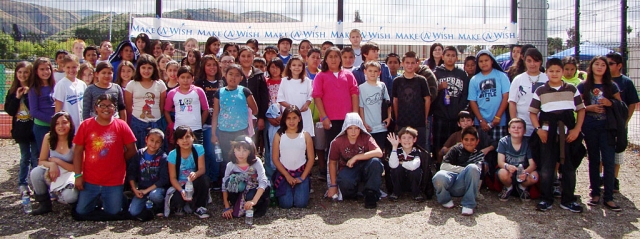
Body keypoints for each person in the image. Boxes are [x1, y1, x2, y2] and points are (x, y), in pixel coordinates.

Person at [530, 58, 586, 212]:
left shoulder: (572, 89)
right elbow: (533, 113)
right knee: (547, 168)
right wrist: (538, 130)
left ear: (563, 72)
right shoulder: (540, 90)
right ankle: (546, 198)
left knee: (568, 168)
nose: (554, 74)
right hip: (547, 135)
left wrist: (577, 130)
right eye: (551, 71)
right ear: (546, 72)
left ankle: (568, 199)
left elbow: (581, 110)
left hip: (568, 134)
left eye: (558, 71)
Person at [73, 94, 137, 216]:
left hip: (114, 180)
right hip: (90, 179)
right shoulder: (86, 125)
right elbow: (78, 151)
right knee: (81, 211)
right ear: (95, 107)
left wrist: (119, 159)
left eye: (110, 106)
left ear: (115, 109)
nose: (106, 109)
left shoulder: (122, 125)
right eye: (102, 105)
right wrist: (78, 175)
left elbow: (132, 149)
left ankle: (119, 197)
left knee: (113, 212)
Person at [577, 56, 623, 212]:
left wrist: (611, 103)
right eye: (597, 64)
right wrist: (589, 108)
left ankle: (609, 197)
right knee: (594, 160)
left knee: (609, 161)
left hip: (607, 128)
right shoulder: (584, 86)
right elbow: (577, 105)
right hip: (590, 127)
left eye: (603, 65)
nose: (600, 67)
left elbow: (621, 105)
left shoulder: (612, 86)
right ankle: (595, 193)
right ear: (591, 67)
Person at [312, 47, 359, 178]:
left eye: (336, 56)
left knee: (349, 147)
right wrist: (324, 117)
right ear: (325, 59)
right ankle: (332, 178)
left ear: (340, 59)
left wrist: (355, 116)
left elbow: (354, 94)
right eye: (330, 56)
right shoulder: (320, 76)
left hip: (348, 120)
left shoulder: (348, 75)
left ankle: (348, 176)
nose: (333, 59)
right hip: (330, 120)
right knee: (333, 149)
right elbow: (317, 97)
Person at [326, 112, 383, 209]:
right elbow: (332, 162)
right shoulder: (337, 142)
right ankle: (357, 192)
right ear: (345, 129)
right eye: (350, 128)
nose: (353, 132)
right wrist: (333, 185)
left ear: (360, 128)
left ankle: (371, 193)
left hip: (365, 167)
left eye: (356, 128)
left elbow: (379, 152)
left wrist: (356, 157)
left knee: (376, 162)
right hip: (348, 169)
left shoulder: (366, 137)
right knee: (344, 182)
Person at [211, 64, 258, 173]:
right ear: (225, 76)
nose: (233, 77)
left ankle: (243, 181)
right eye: (230, 74)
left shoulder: (245, 91)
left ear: (241, 78)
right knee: (226, 158)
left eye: (237, 75)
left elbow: (255, 110)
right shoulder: (219, 93)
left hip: (241, 131)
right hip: (224, 132)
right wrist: (213, 134)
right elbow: (215, 114)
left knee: (242, 156)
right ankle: (226, 183)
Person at [30, 112, 78, 215]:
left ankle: (70, 202)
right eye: (57, 123)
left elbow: (76, 168)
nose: (61, 126)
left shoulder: (75, 141)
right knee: (35, 172)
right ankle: (44, 204)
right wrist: (52, 164)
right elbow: (41, 161)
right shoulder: (48, 137)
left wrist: (57, 161)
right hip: (53, 172)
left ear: (70, 124)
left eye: (64, 122)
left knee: (70, 197)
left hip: (69, 174)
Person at [605, 52, 639, 193]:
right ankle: (603, 178)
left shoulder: (626, 82)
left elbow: (632, 103)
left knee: (618, 153)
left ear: (619, 66)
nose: (607, 66)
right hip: (604, 124)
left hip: (619, 124)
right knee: (603, 154)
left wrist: (625, 121)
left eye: (610, 63)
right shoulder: (601, 80)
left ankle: (614, 179)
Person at [432, 126, 483, 215]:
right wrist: (463, 170)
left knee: (473, 168)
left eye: (472, 140)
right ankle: (445, 199)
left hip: (463, 185)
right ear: (462, 141)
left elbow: (477, 173)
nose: (469, 142)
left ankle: (468, 204)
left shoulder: (479, 155)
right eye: (466, 139)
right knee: (439, 176)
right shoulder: (456, 149)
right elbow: (443, 166)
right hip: (450, 181)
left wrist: (467, 172)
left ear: (477, 141)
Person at [272, 105, 315, 208]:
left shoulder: (305, 135)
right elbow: (275, 158)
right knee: (286, 204)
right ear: (284, 119)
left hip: (301, 172)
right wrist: (287, 176)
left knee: (301, 204)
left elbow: (311, 158)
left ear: (299, 119)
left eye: (294, 118)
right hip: (284, 173)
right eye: (288, 118)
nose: (291, 121)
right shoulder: (279, 135)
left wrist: (303, 177)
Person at [6, 61, 37, 194]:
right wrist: (18, 97)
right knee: (25, 157)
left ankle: (37, 184)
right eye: (19, 72)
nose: (22, 75)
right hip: (21, 130)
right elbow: (10, 110)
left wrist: (27, 95)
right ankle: (22, 183)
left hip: (33, 129)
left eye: (25, 72)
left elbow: (34, 109)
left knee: (36, 157)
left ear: (30, 74)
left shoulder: (35, 89)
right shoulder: (13, 91)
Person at [221, 136, 270, 219]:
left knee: (251, 196)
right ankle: (238, 205)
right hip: (240, 190)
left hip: (254, 189)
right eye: (238, 150)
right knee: (232, 184)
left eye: (245, 150)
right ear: (234, 150)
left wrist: (253, 201)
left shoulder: (256, 162)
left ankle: (260, 205)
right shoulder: (230, 165)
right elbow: (224, 186)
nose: (241, 154)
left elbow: (263, 181)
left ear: (250, 151)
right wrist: (227, 207)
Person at [432, 46, 470, 154]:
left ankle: (454, 162)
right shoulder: (436, 72)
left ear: (457, 58)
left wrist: (460, 109)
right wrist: (439, 88)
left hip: (456, 115)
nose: (450, 58)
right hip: (440, 114)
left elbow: (465, 94)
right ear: (443, 57)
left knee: (455, 141)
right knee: (439, 141)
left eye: (453, 56)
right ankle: (438, 163)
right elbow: (431, 93)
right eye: (448, 55)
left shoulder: (461, 74)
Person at [124, 54, 167, 149]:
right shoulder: (131, 84)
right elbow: (128, 107)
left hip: (156, 123)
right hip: (137, 124)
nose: (146, 71)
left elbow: (161, 106)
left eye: (149, 68)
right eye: (143, 67)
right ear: (138, 68)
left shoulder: (160, 84)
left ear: (154, 69)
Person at [467, 50, 510, 144]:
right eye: (480, 61)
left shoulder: (501, 76)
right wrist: (481, 120)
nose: (484, 63)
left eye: (486, 60)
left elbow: (506, 97)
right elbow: (472, 101)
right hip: (481, 123)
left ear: (492, 61)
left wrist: (498, 117)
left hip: (499, 122)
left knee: (498, 151)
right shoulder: (474, 80)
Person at [167, 125, 210, 218]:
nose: (185, 141)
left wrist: (196, 173)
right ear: (177, 141)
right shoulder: (172, 155)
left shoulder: (198, 149)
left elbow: (202, 169)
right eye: (181, 138)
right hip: (180, 184)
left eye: (187, 137)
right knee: (177, 202)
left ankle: (200, 207)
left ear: (192, 137)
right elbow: (173, 178)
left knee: (204, 179)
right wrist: (181, 190)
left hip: (193, 181)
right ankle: (184, 206)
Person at [195, 55, 224, 186]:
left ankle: (216, 178)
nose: (212, 67)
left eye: (214, 64)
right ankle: (207, 180)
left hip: (222, 124)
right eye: (208, 65)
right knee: (208, 152)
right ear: (203, 67)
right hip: (206, 124)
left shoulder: (222, 82)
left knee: (218, 154)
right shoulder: (198, 84)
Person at [392, 51, 431, 150]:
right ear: (402, 63)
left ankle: (421, 165)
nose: (410, 65)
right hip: (403, 121)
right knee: (402, 147)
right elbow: (395, 100)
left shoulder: (422, 80)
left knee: (420, 147)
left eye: (412, 63)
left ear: (417, 63)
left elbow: (427, 99)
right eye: (407, 63)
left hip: (419, 121)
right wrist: (397, 118)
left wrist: (425, 117)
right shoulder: (397, 81)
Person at [127, 128, 168, 218]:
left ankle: (159, 207)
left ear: (161, 144)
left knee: (155, 196)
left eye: (157, 142)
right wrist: (134, 189)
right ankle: (147, 206)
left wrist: (147, 191)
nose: (153, 144)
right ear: (146, 140)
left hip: (156, 189)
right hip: (141, 189)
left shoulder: (163, 157)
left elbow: (163, 179)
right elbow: (131, 173)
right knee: (133, 212)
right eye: (151, 140)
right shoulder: (139, 154)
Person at [496, 118, 539, 202]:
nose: (516, 129)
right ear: (509, 130)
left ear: (525, 131)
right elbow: (500, 162)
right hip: (509, 171)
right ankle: (508, 187)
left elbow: (533, 165)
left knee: (535, 176)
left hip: (524, 171)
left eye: (519, 128)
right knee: (502, 172)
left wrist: (525, 172)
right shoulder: (503, 141)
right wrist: (507, 166)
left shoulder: (528, 143)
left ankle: (522, 188)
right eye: (513, 127)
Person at [508, 48, 548, 137]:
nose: (532, 64)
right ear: (524, 61)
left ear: (540, 62)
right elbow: (512, 102)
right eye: (529, 61)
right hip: (523, 126)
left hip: (543, 127)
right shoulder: (518, 79)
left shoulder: (547, 78)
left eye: (535, 61)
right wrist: (514, 123)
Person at [164, 66, 208, 144]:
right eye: (182, 77)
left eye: (188, 77)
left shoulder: (198, 91)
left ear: (193, 78)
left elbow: (205, 109)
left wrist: (200, 124)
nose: (185, 80)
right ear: (177, 79)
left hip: (196, 130)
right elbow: (166, 111)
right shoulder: (172, 93)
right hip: (178, 130)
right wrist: (171, 124)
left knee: (197, 153)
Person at [358, 61, 391, 150]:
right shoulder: (361, 88)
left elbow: (388, 103)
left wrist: (389, 117)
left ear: (379, 73)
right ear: (365, 71)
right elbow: (361, 107)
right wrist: (363, 123)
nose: (373, 73)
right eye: (370, 71)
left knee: (380, 149)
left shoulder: (382, 86)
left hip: (381, 126)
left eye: (375, 71)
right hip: (369, 127)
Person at [237, 46, 269, 138]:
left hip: (255, 117)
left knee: (253, 144)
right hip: (238, 117)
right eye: (243, 56)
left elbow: (264, 98)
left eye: (249, 56)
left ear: (253, 57)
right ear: (239, 57)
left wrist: (261, 117)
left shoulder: (259, 74)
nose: (246, 59)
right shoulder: (234, 72)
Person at [28, 57, 56, 157]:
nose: (45, 72)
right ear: (36, 71)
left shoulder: (55, 85)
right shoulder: (34, 89)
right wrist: (52, 120)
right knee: (46, 156)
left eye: (47, 69)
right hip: (42, 127)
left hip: (57, 126)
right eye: (42, 69)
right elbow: (34, 112)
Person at [387, 127, 424, 201]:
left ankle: (416, 193)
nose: (407, 140)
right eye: (404, 138)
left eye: (410, 138)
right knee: (397, 169)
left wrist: (401, 163)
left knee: (415, 171)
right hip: (399, 180)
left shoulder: (417, 152)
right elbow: (393, 165)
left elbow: (414, 165)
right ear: (399, 140)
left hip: (412, 181)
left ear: (414, 139)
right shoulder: (396, 151)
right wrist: (394, 147)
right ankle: (396, 192)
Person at [53, 54, 87, 132]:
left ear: (78, 67)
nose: (71, 70)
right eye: (68, 67)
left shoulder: (82, 84)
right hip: (68, 127)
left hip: (81, 125)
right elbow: (58, 110)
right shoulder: (61, 85)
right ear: (63, 67)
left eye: (74, 67)